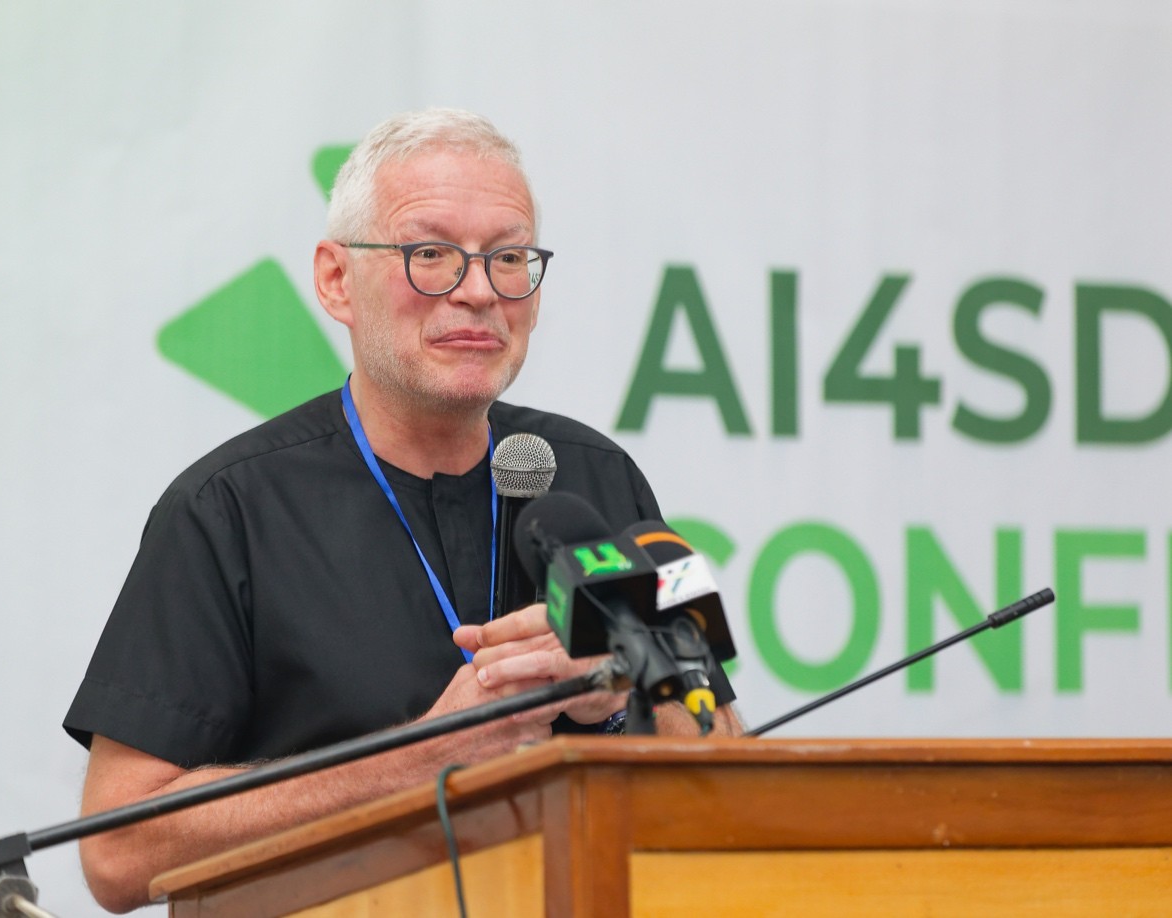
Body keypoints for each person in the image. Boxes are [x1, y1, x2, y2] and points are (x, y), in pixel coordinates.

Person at [64, 108, 740, 913]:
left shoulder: (600, 480)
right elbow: (114, 852)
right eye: (432, 256)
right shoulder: (226, 509)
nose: (481, 292)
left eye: (510, 257)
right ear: (335, 280)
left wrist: (604, 709)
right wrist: (421, 756)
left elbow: (721, 755)